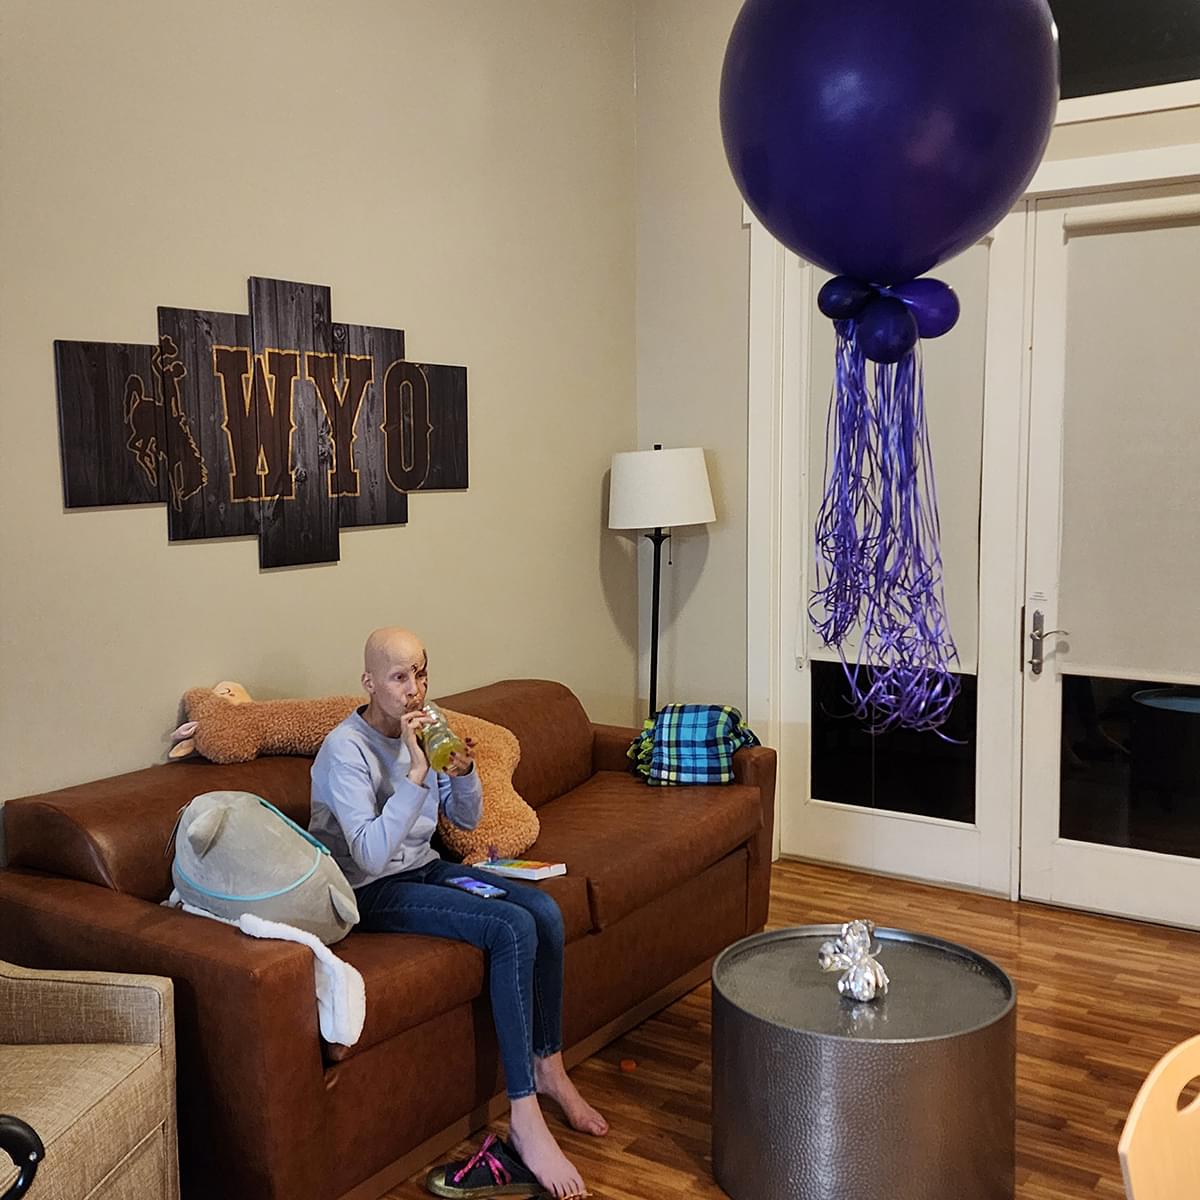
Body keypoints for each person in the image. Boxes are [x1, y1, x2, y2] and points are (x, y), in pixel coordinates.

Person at [309, 627, 606, 1199]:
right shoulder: (343, 751)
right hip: (368, 890)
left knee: (543, 910)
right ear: (370, 683)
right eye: (400, 677)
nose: (415, 690)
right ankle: (523, 1113)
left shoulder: (432, 723)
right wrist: (416, 776)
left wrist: (462, 773)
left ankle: (550, 1068)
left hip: (424, 868)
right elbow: (370, 852)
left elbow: (465, 823)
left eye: (421, 673)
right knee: (509, 926)